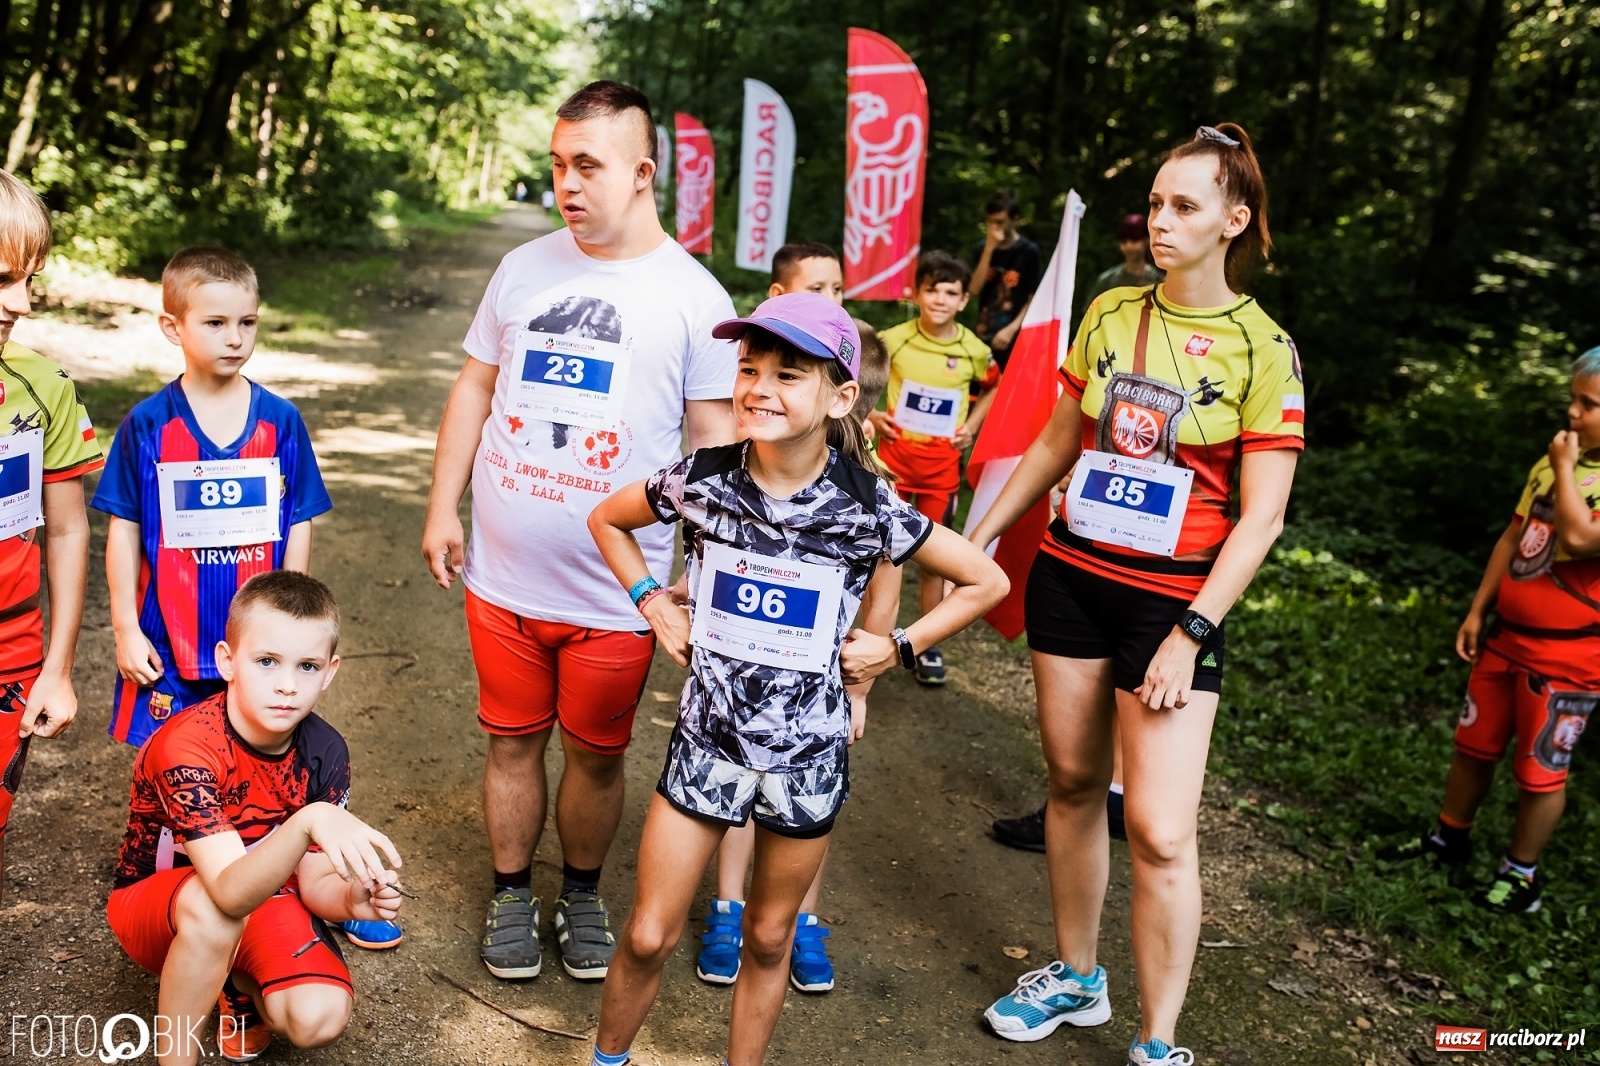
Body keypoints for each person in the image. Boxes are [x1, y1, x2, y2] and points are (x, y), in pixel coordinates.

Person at [586, 291, 1008, 1066]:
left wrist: (897, 647)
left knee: (771, 935)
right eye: (748, 368)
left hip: (807, 757)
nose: (758, 388)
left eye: (787, 374)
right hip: (705, 742)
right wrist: (654, 602)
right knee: (648, 934)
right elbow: (607, 520)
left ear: (840, 395)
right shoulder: (704, 478)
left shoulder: (868, 504)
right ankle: (607, 1059)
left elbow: (986, 582)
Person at [966, 124, 1303, 1066]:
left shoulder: (1264, 348)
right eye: (1156, 203)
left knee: (1158, 830)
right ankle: (1077, 979)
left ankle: (1158, 1044)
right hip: (1073, 578)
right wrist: (980, 534)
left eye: (1185, 206)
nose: (1162, 221)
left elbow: (1263, 516)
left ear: (1233, 221)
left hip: (1172, 607)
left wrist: (1192, 632)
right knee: (1072, 785)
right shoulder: (1113, 313)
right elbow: (1055, 442)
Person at [422, 80, 738, 984]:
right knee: (511, 743)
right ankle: (513, 891)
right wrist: (444, 504)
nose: (566, 182)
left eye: (587, 165)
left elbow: (716, 453)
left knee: (598, 760)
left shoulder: (693, 296)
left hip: (620, 595)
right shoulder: (522, 269)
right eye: (558, 163)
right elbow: (475, 388)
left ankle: (586, 891)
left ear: (642, 174)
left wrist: (702, 581)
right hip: (503, 579)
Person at [90, 249, 395, 953]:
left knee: (274, 763)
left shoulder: (280, 422)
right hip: (173, 645)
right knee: (172, 764)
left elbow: (299, 522)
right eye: (216, 321)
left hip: (257, 643)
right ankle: (174, 899)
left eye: (248, 321)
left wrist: (296, 625)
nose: (235, 337)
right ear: (173, 327)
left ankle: (313, 881)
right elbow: (124, 529)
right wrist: (126, 627)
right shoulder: (146, 425)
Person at [692, 246, 894, 994]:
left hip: (814, 687)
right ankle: (726, 908)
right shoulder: (745, 435)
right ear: (779, 297)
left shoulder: (863, 471)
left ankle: (803, 917)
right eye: (816, 291)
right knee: (735, 774)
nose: (834, 302)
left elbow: (888, 574)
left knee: (805, 793)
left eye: (840, 291)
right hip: (737, 674)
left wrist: (871, 673)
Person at [105, 571, 404, 1065]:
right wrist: (308, 819)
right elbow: (226, 890)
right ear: (228, 661)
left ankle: (237, 986)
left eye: (307, 667)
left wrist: (353, 898)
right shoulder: (187, 745)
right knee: (213, 910)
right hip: (162, 907)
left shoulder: (325, 750)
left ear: (329, 672)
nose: (287, 686)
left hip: (262, 897)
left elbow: (310, 879)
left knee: (318, 1017)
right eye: (266, 662)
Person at [1381, 348, 1600, 914]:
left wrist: (1565, 469)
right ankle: (1448, 838)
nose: (1573, 414)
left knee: (1541, 769)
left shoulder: (1563, 465)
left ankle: (1521, 876)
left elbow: (1577, 541)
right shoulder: (1551, 465)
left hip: (1569, 661)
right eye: (1573, 400)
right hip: (1506, 640)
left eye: (1588, 404)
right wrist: (1478, 610)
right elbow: (1513, 538)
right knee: (1473, 745)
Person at [0, 169, 103, 902]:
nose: (20, 303)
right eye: (1, 278)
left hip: (11, 650)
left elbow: (68, 533)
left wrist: (58, 668)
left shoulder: (44, 387)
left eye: (29, 279)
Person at [869, 251, 999, 686]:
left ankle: (925, 644)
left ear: (964, 300)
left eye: (951, 293)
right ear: (917, 293)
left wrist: (972, 427)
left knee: (935, 565)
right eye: (932, 290)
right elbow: (860, 378)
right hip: (893, 466)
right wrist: (871, 416)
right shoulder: (894, 339)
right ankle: (865, 641)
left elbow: (995, 387)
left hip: (942, 472)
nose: (940, 299)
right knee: (882, 557)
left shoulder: (974, 350)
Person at [970, 191, 1042, 371]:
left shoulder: (1028, 252)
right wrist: (989, 250)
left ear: (1014, 219)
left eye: (1000, 222)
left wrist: (1012, 329)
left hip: (1014, 334)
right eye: (990, 221)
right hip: (983, 332)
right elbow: (973, 289)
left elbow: (1034, 297)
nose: (994, 227)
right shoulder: (981, 249)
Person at [1078, 213, 1165, 323]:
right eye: (1124, 242)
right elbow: (1089, 313)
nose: (1128, 246)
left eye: (1134, 241)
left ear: (1146, 240)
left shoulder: (1159, 281)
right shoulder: (1107, 280)